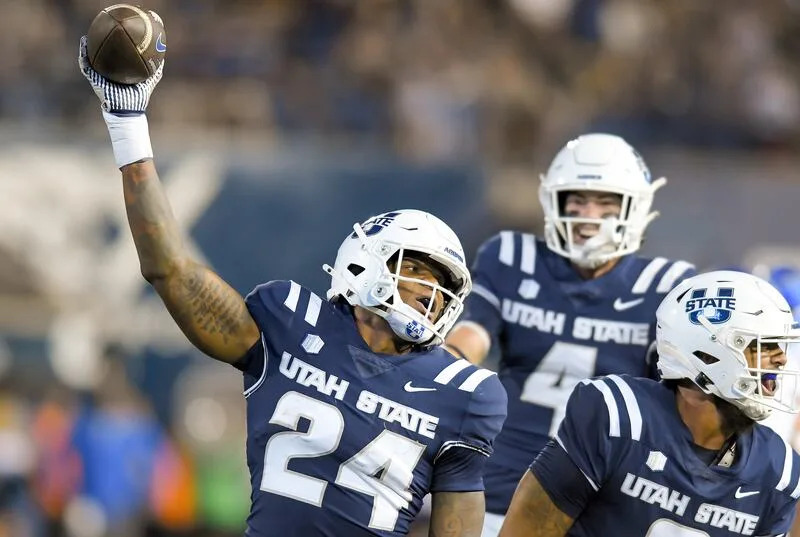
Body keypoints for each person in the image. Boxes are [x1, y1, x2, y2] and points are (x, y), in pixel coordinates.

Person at [77, 38, 507, 537]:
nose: (429, 295)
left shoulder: (465, 394)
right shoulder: (288, 322)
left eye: (439, 286)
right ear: (368, 262)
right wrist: (127, 125)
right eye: (420, 274)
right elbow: (170, 269)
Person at [444, 133, 695, 534]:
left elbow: (676, 402)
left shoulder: (668, 285)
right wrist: (440, 369)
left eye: (605, 202)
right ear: (553, 201)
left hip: (601, 498)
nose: (588, 214)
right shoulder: (512, 256)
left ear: (635, 207)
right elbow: (473, 334)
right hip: (498, 484)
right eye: (576, 200)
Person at [499, 270, 800, 537]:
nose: (782, 358)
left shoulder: (779, 471)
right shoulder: (618, 418)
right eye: (765, 345)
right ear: (707, 353)